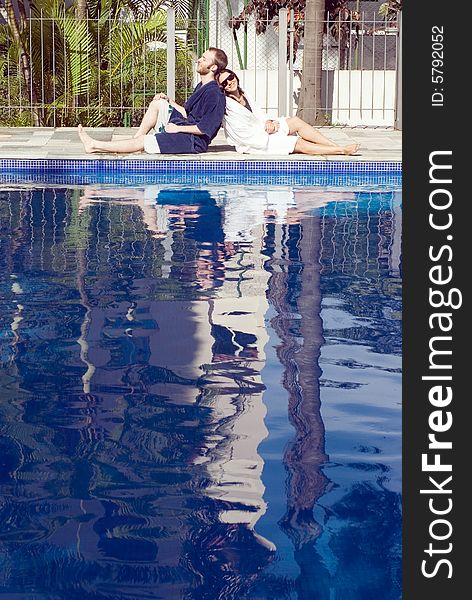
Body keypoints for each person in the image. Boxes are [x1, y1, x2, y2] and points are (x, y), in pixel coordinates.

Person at [78, 47, 228, 155]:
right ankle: (135, 141)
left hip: (193, 141)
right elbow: (188, 114)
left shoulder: (215, 94)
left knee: (146, 141)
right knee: (158, 104)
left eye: (204, 58)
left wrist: (177, 129)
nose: (199, 60)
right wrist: (169, 101)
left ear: (213, 67)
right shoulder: (202, 86)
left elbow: (204, 128)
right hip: (185, 127)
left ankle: (94, 145)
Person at [217, 69, 360, 156]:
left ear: (235, 76)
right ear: (222, 88)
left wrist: (268, 121)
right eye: (225, 83)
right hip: (257, 141)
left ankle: (333, 145)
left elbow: (258, 113)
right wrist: (266, 130)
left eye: (230, 78)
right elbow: (243, 132)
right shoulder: (228, 105)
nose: (229, 82)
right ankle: (340, 151)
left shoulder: (244, 93)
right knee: (298, 143)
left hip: (265, 129)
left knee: (295, 121)